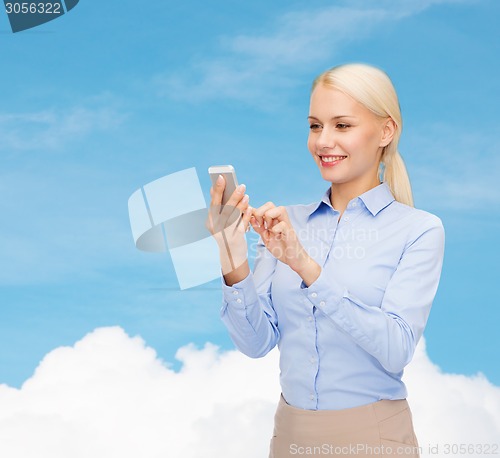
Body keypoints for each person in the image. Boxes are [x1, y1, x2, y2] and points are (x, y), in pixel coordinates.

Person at [206, 63, 445, 458]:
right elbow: (256, 344)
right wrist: (232, 256)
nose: (323, 141)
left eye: (343, 126)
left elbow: (396, 347)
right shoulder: (287, 224)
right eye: (315, 126)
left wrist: (307, 267)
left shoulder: (418, 230)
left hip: (376, 439)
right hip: (290, 437)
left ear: (386, 132)